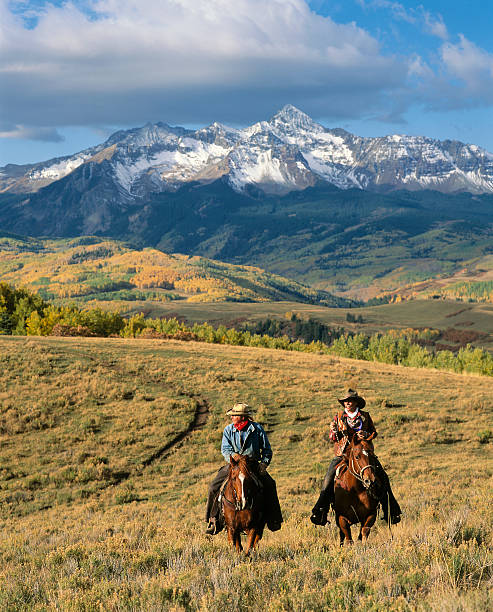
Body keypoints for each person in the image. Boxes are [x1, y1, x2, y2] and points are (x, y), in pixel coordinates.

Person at [310, 389, 402, 526]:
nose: (347, 403)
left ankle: (391, 510)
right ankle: (320, 511)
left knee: (383, 477)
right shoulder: (338, 417)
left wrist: (365, 434)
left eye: (349, 401)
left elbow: (374, 433)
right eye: (345, 401)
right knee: (328, 478)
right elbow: (332, 437)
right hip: (343, 453)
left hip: (363, 452)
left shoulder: (365, 416)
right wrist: (334, 431)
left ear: (355, 402)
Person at [205, 402, 283, 535]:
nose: (232, 417)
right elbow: (225, 449)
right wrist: (233, 455)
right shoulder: (228, 430)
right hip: (234, 465)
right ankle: (213, 519)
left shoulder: (257, 429)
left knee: (270, 484)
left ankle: (274, 519)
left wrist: (263, 464)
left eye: (234, 415)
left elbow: (267, 449)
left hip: (253, 465)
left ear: (242, 417)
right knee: (213, 486)